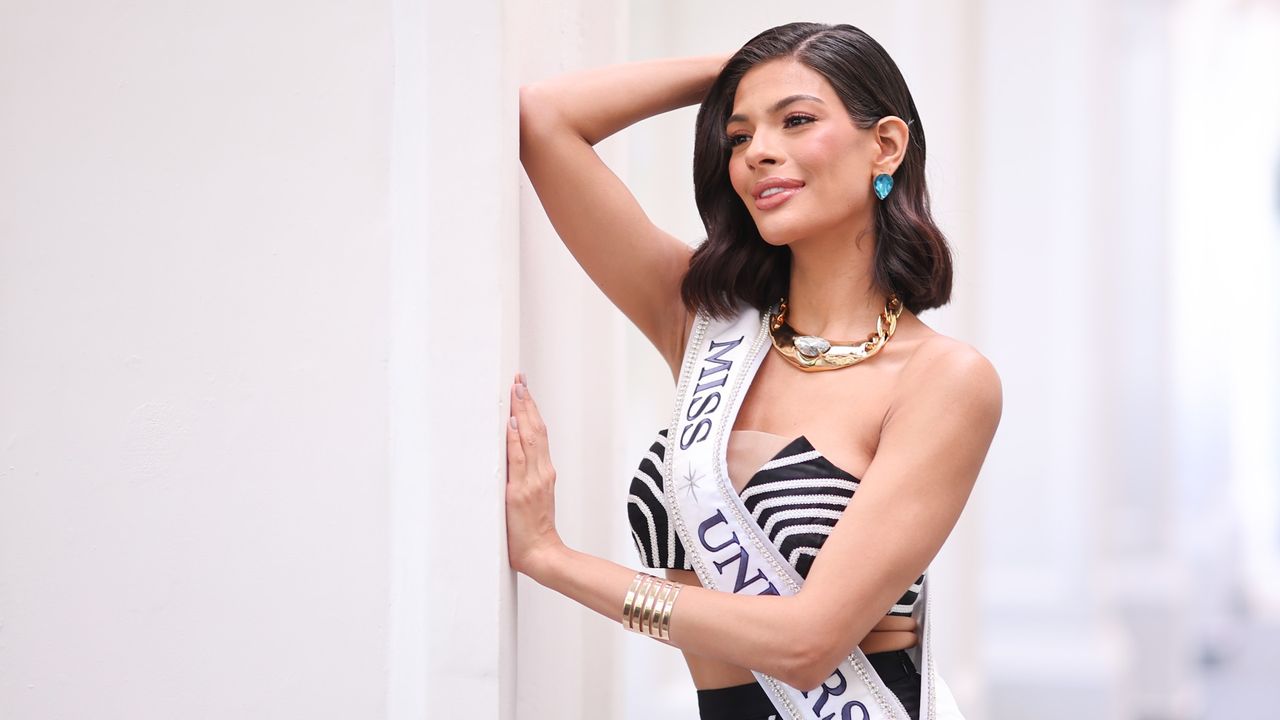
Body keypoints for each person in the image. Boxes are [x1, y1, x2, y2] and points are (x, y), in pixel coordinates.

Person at [507, 21, 1001, 720]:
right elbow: (544, 121)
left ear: (884, 145)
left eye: (797, 120)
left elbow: (807, 645)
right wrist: (744, 70)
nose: (759, 153)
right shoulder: (703, 323)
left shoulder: (944, 380)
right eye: (739, 137)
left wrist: (552, 559)